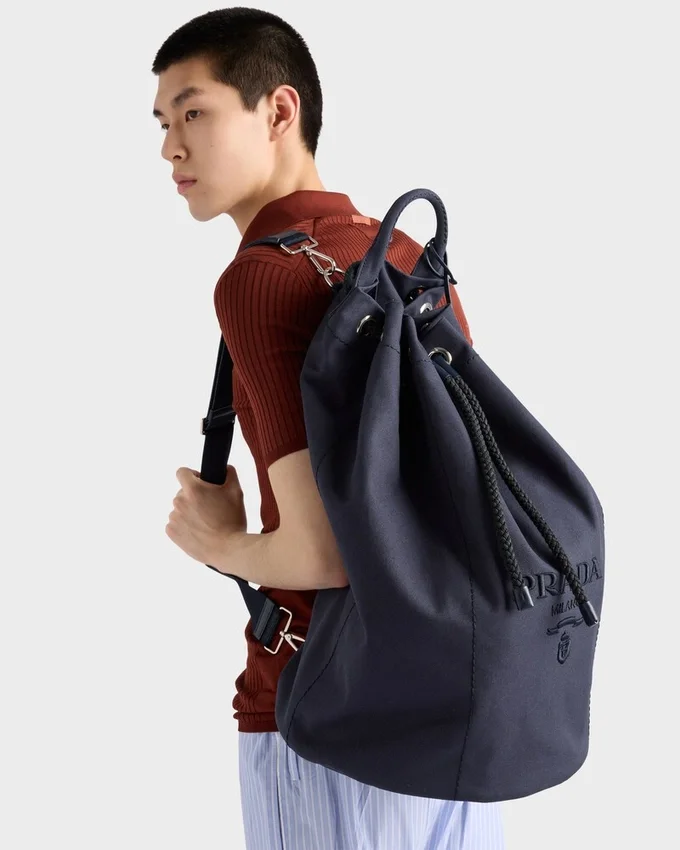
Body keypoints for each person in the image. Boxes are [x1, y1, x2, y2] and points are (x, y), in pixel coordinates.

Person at [152, 7, 506, 849]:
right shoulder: (407, 255)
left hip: (324, 708)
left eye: (194, 112)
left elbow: (322, 556)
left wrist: (217, 540)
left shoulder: (260, 278)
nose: (170, 148)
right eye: (162, 123)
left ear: (280, 110)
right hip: (455, 708)